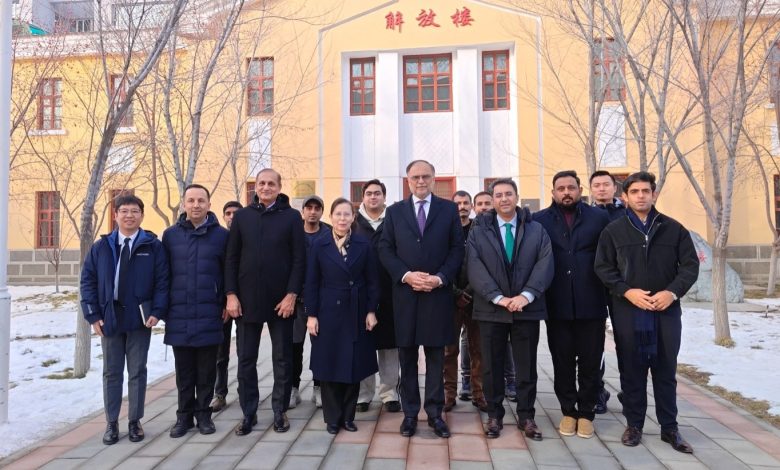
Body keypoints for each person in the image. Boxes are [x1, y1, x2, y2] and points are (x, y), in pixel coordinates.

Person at [595, 171, 699, 453]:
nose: (641, 196)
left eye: (645, 191)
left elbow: (689, 266)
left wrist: (672, 292)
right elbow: (603, 268)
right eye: (635, 192)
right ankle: (634, 424)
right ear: (625, 197)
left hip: (665, 311)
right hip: (629, 310)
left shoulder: (673, 229)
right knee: (632, 370)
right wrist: (627, 291)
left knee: (665, 370)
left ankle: (670, 428)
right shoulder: (613, 231)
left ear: (654, 194)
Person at [378, 160, 464, 439]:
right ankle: (411, 414)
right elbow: (386, 249)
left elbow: (456, 250)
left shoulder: (448, 210)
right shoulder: (395, 212)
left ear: (434, 178)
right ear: (408, 180)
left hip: (437, 295)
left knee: (436, 357)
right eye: (415, 177)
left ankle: (436, 414)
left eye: (426, 176)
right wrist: (405, 275)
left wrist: (440, 278)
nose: (421, 181)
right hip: (405, 296)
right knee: (407, 357)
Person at [466, 178, 553, 440]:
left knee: (526, 366)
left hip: (526, 308)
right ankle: (494, 415)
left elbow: (545, 263)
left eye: (508, 194)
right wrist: (497, 297)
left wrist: (526, 296)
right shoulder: (478, 231)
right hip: (491, 309)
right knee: (491, 366)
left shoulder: (536, 230)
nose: (504, 199)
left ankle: (526, 417)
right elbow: (474, 265)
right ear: (492, 200)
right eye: (499, 195)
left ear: (517, 197)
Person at [80, 194, 169, 445]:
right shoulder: (101, 247)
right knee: (111, 372)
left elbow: (163, 282)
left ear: (142, 215)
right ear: (116, 215)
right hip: (110, 317)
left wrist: (157, 311)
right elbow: (87, 281)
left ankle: (134, 421)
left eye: (134, 211)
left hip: (140, 318)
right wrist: (92, 315)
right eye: (124, 211)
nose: (129, 215)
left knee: (137, 371)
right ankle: (111, 423)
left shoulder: (153, 246)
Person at [224, 168, 306, 436]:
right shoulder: (242, 217)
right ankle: (248, 413)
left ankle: (279, 410)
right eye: (261, 183)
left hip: (282, 302)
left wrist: (292, 294)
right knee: (246, 360)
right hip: (246, 302)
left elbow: (299, 259)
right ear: (255, 187)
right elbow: (231, 259)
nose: (266, 187)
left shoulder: (292, 218)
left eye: (272, 183)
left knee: (282, 359)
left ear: (280, 187)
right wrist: (231, 295)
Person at [533, 171, 610, 439]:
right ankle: (568, 410)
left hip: (592, 302)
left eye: (571, 187)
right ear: (553, 192)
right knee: (562, 361)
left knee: (590, 362)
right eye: (561, 188)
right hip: (557, 304)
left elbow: (609, 258)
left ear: (580, 190)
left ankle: (587, 413)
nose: (566, 192)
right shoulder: (539, 221)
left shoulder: (599, 218)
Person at [306, 198, 380, 434]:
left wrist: (371, 310)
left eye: (347, 214)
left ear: (352, 218)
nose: (342, 219)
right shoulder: (319, 244)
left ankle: (348, 417)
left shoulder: (363, 244)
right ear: (331, 216)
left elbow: (372, 281)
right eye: (338, 214)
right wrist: (312, 315)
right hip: (327, 310)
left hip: (356, 310)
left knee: (352, 365)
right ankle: (332, 418)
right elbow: (311, 282)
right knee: (329, 365)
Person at [162, 184, 229, 437]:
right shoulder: (170, 236)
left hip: (210, 311)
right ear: (184, 204)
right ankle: (183, 417)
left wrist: (225, 301)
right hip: (179, 311)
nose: (196, 205)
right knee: (184, 372)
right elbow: (163, 275)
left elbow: (228, 273)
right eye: (191, 200)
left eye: (201, 200)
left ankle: (204, 416)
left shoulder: (222, 236)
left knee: (207, 370)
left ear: (209, 204)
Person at [354, 179, 402, 413]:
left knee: (389, 347)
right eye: (369, 193)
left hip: (390, 293)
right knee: (363, 345)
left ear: (384, 196)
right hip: (360, 295)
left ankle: (389, 393)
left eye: (378, 193)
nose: (373, 197)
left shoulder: (394, 220)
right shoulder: (353, 223)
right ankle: (363, 394)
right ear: (363, 197)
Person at [443, 190, 486, 412]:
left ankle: (479, 394)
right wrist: (455, 292)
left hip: (477, 297)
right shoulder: (444, 230)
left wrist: (469, 291)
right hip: (450, 298)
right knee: (449, 351)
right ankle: (448, 394)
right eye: (457, 203)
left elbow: (485, 263)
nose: (461, 206)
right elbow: (438, 263)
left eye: (465, 203)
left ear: (471, 206)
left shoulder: (481, 230)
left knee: (478, 349)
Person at [589, 170, 626, 414]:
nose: (601, 189)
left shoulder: (627, 214)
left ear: (615, 188)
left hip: (623, 288)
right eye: (597, 185)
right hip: (593, 287)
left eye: (606, 184)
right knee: (594, 344)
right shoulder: (586, 214)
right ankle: (596, 391)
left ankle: (629, 392)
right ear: (591, 189)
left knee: (626, 341)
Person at [291, 195, 331, 409]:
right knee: (294, 346)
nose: (313, 211)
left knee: (320, 347)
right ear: (303, 211)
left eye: (317, 207)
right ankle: (293, 388)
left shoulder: (329, 233)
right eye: (309, 207)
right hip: (297, 300)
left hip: (321, 301)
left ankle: (319, 387)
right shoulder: (294, 233)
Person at [211, 200, 243, 412]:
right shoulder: (219, 237)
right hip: (222, 303)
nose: (231, 217)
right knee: (219, 353)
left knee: (245, 351)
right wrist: (224, 299)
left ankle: (245, 392)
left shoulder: (247, 236)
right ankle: (219, 393)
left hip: (246, 302)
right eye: (228, 213)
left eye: (235, 213)